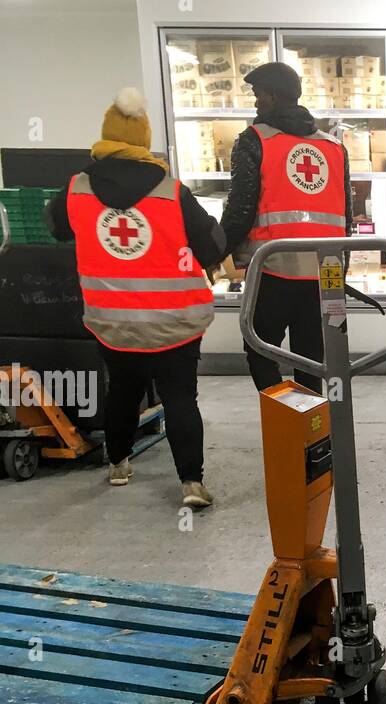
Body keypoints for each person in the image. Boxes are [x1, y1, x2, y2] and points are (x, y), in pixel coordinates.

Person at [47, 87, 224, 508]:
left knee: (123, 390)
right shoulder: (171, 191)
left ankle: (119, 465)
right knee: (181, 395)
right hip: (174, 322)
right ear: (144, 138)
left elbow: (56, 228)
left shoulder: (75, 190)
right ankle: (191, 485)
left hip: (113, 322)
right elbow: (212, 248)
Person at [218, 61, 354, 394]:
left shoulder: (255, 140)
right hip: (324, 274)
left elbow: (241, 208)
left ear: (275, 96)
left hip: (273, 270)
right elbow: (346, 216)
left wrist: (217, 250)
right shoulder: (334, 147)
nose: (255, 102)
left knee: (260, 349)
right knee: (313, 359)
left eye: (258, 94)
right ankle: (313, 434)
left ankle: (286, 421)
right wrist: (342, 270)